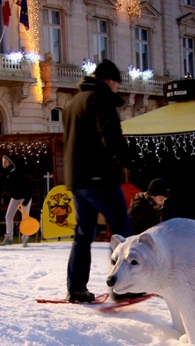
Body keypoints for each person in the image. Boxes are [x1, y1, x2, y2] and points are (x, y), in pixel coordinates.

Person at [63, 59, 132, 303]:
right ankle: (125, 287)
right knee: (122, 230)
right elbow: (110, 135)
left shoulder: (73, 103)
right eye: (116, 84)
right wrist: (130, 161)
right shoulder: (100, 99)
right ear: (110, 81)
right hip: (99, 177)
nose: (117, 89)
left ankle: (77, 288)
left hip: (77, 179)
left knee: (83, 233)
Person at [0, 155, 32, 248]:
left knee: (25, 218)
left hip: (25, 197)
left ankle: (25, 240)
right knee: (8, 216)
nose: (4, 164)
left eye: (5, 162)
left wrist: (26, 200)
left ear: (10, 162)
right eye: (2, 163)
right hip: (15, 197)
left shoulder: (19, 171)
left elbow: (28, 186)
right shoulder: (7, 173)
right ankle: (9, 238)